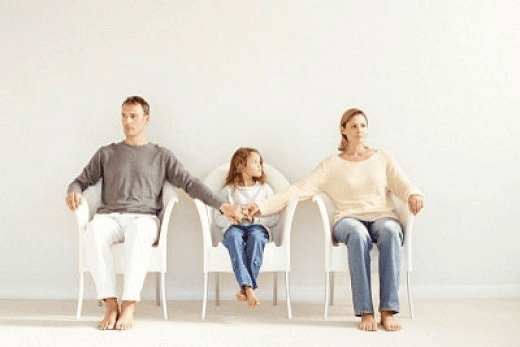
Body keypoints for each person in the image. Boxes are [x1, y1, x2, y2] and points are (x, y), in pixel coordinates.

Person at [65, 96, 243, 330]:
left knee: (139, 232)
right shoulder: (106, 153)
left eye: (133, 116)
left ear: (146, 119)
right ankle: (110, 304)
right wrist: (73, 191)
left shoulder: (161, 155)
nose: (127, 121)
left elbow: (190, 183)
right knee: (93, 231)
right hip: (109, 217)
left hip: (144, 218)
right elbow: (80, 181)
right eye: (124, 116)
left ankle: (128, 305)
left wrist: (222, 205)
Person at [246, 108, 424, 331]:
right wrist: (260, 206)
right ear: (343, 131)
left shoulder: (383, 158)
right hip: (347, 220)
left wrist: (413, 194)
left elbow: (403, 183)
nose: (359, 130)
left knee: (390, 230)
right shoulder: (331, 165)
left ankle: (387, 311)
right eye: (354, 126)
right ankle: (365, 312)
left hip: (382, 215)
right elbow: (298, 189)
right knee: (358, 235)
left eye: (363, 125)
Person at [212, 148, 280, 309]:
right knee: (234, 238)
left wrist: (255, 218)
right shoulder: (228, 191)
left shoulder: (265, 189)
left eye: (260, 162)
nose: (260, 165)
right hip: (235, 228)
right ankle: (248, 288)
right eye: (255, 162)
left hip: (258, 227)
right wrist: (233, 219)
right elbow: (217, 217)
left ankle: (246, 288)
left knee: (256, 238)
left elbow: (275, 216)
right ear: (241, 166)